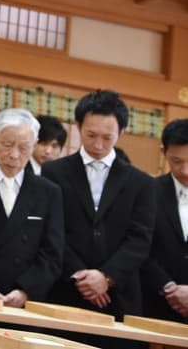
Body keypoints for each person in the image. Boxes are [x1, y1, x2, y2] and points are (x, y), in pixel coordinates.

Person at [42, 89, 156, 321]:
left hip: (118, 297)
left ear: (121, 133)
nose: (98, 145)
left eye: (107, 138)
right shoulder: (53, 172)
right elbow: (52, 230)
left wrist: (106, 277)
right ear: (78, 126)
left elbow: (140, 239)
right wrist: (82, 277)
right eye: (91, 135)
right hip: (64, 291)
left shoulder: (141, 183)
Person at [0, 109, 64, 306]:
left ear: (34, 146)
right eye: (7, 145)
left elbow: (52, 254)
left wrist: (26, 290)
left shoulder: (48, 192)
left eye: (24, 148)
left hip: (21, 304)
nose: (14, 155)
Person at [141, 119, 188, 322]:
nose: (185, 171)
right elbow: (139, 245)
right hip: (153, 305)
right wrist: (169, 287)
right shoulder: (147, 191)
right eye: (177, 161)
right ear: (163, 152)